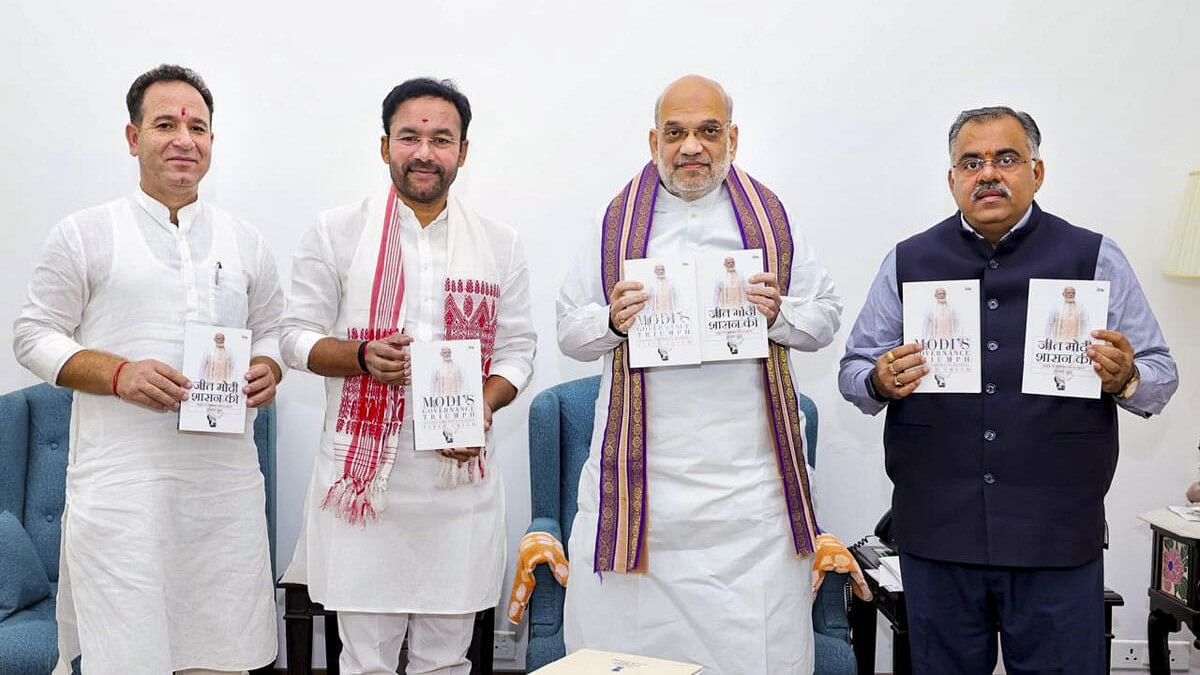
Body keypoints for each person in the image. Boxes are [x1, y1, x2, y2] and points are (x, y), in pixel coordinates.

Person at [838, 106, 1178, 673]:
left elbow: (1159, 374)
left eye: (1006, 159)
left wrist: (1127, 376)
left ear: (1037, 173)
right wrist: (879, 378)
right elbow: (854, 370)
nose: (988, 174)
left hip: (1055, 536)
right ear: (952, 180)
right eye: (971, 162)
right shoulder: (909, 259)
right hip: (938, 534)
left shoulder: (1094, 256)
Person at [557, 74, 842, 674]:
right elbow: (568, 330)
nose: (692, 147)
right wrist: (611, 320)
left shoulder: (772, 219)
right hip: (642, 490)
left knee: (754, 649)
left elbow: (823, 321)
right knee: (626, 649)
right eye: (677, 132)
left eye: (708, 131)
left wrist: (778, 313)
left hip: (749, 500)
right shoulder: (615, 223)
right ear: (653, 140)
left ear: (732, 138)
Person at [12, 64, 283, 675]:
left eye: (199, 127)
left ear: (212, 141)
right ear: (133, 138)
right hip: (124, 493)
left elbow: (270, 330)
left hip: (224, 494)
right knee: (129, 656)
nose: (184, 139)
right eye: (165, 124)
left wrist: (269, 367)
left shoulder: (246, 241)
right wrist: (117, 374)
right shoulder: (86, 233)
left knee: (223, 654)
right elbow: (32, 333)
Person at [279, 77, 535, 675]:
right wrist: (360, 358)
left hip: (456, 487)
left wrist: (483, 406)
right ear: (384, 145)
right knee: (364, 659)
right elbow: (294, 337)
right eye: (409, 137)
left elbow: (520, 350)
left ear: (463, 152)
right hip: (363, 485)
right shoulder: (336, 232)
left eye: (441, 138)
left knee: (446, 659)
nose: (425, 152)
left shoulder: (500, 243)